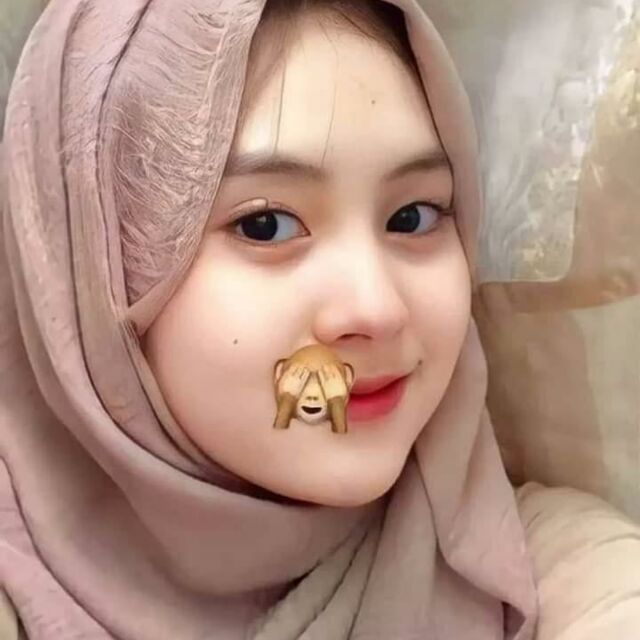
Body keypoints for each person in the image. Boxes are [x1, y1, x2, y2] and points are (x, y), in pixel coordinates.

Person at [0, 0, 537, 637]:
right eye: (265, 225)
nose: (378, 309)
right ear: (89, 267)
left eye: (412, 216)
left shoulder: (533, 556)